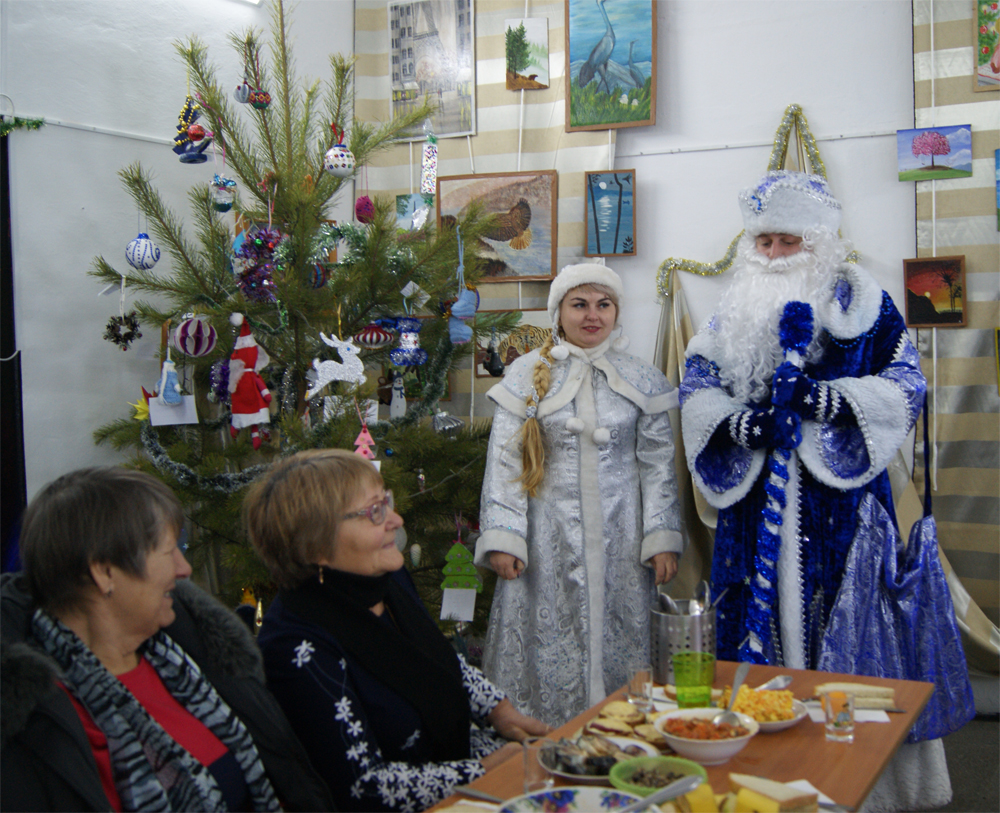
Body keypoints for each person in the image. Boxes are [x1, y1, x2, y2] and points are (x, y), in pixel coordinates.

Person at [679, 170, 927, 670]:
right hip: (754, 507)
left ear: (818, 244)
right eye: (763, 241)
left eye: (787, 241)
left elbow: (906, 382)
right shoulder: (733, 313)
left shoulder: (865, 304)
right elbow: (696, 385)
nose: (772, 253)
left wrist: (826, 401)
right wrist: (743, 427)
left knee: (847, 639)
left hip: (841, 506)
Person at [0, 466, 332, 812]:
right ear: (105, 572)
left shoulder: (189, 651)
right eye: (170, 550)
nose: (184, 568)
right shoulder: (43, 722)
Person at [245, 449, 550, 813]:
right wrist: (483, 771)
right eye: (375, 512)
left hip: (470, 776)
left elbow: (435, 658)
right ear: (316, 545)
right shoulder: (296, 647)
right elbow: (364, 788)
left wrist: (499, 710)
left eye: (385, 502)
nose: (396, 519)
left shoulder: (382, 579)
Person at [475, 262, 683, 727]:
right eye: (580, 305)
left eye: (603, 305)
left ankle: (623, 740)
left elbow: (657, 465)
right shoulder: (527, 374)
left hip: (622, 538)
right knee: (550, 639)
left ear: (616, 311)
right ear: (559, 312)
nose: (593, 315)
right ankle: (544, 741)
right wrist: (505, 536)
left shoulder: (640, 378)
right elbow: (507, 464)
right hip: (548, 538)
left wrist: (662, 535)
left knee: (623, 639)